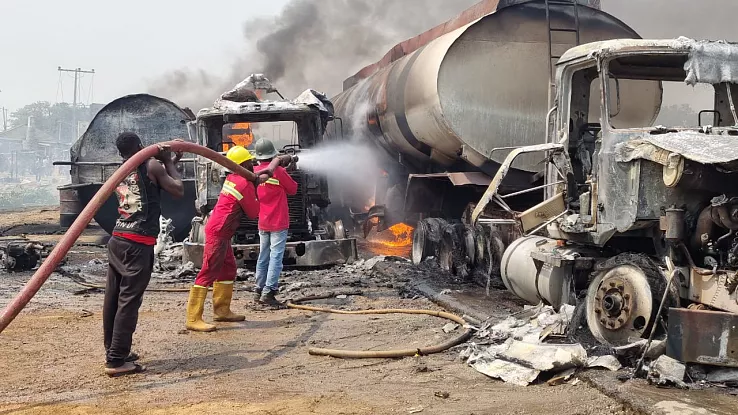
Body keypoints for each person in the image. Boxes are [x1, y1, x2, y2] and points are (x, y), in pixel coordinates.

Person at [103, 132, 184, 377]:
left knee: (114, 298)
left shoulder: (121, 168)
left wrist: (170, 163)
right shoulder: (152, 165)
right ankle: (117, 361)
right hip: (137, 244)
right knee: (129, 301)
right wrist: (167, 161)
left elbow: (146, 185)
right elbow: (178, 189)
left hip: (118, 238)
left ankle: (115, 350)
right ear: (140, 146)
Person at [185, 146, 261, 332]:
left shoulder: (233, 178)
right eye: (250, 161)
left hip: (222, 232)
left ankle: (222, 310)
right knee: (208, 271)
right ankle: (193, 318)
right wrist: (257, 188)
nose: (254, 164)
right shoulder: (244, 184)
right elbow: (254, 212)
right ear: (243, 164)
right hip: (219, 232)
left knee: (228, 270)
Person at [253, 138, 297, 307]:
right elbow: (293, 189)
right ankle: (269, 292)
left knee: (263, 256)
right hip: (278, 221)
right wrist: (287, 171)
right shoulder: (277, 171)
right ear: (273, 155)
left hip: (262, 222)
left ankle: (258, 290)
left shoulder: (255, 172)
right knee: (276, 257)